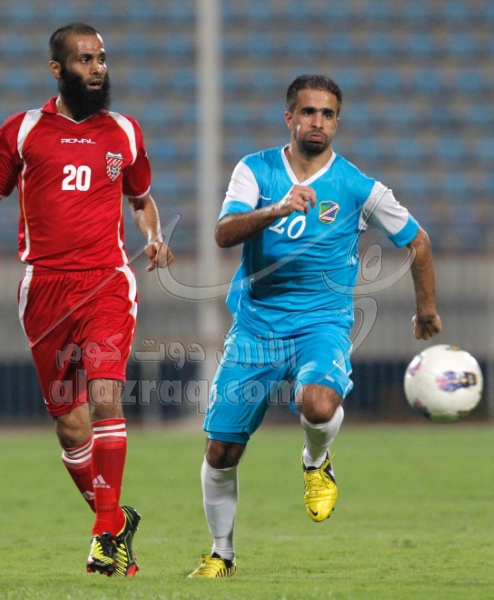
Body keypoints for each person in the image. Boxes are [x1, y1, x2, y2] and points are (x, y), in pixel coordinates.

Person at [188, 74, 442, 578]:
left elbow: (418, 241)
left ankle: (315, 459)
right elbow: (223, 233)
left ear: (337, 122)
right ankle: (221, 553)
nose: (317, 121)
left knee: (319, 402)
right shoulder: (255, 169)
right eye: (308, 112)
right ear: (290, 118)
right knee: (221, 451)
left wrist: (427, 309)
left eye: (327, 114)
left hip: (322, 323)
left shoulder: (357, 186)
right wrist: (277, 208)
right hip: (256, 327)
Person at [0, 22, 174, 578]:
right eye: (85, 60)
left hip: (106, 282)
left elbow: (142, 200)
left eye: (101, 58)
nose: (97, 68)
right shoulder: (23, 130)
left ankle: (104, 536)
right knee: (70, 426)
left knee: (106, 394)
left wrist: (154, 236)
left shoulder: (124, 131)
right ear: (57, 69)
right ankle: (116, 520)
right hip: (44, 288)